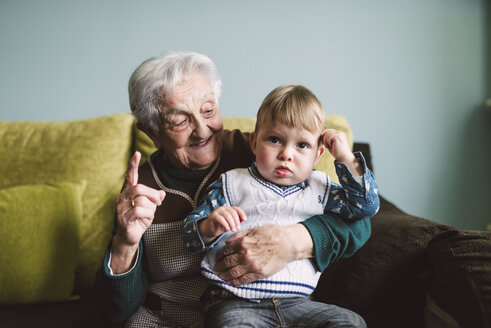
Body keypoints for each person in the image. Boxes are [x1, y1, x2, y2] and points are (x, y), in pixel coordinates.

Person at [94, 51, 373, 327]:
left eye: (208, 111)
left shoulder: (264, 154)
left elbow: (359, 224)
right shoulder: (141, 186)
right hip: (172, 319)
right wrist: (125, 243)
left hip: (274, 310)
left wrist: (294, 241)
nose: (202, 131)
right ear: (151, 131)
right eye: (180, 120)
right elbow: (116, 311)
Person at [182, 84, 379, 327]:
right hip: (234, 301)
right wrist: (208, 227)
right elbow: (189, 235)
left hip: (299, 304)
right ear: (254, 143)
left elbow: (365, 209)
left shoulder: (321, 189)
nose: (286, 154)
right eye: (275, 140)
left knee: (351, 322)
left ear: (318, 155)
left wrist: (345, 158)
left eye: (302, 145)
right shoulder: (232, 183)